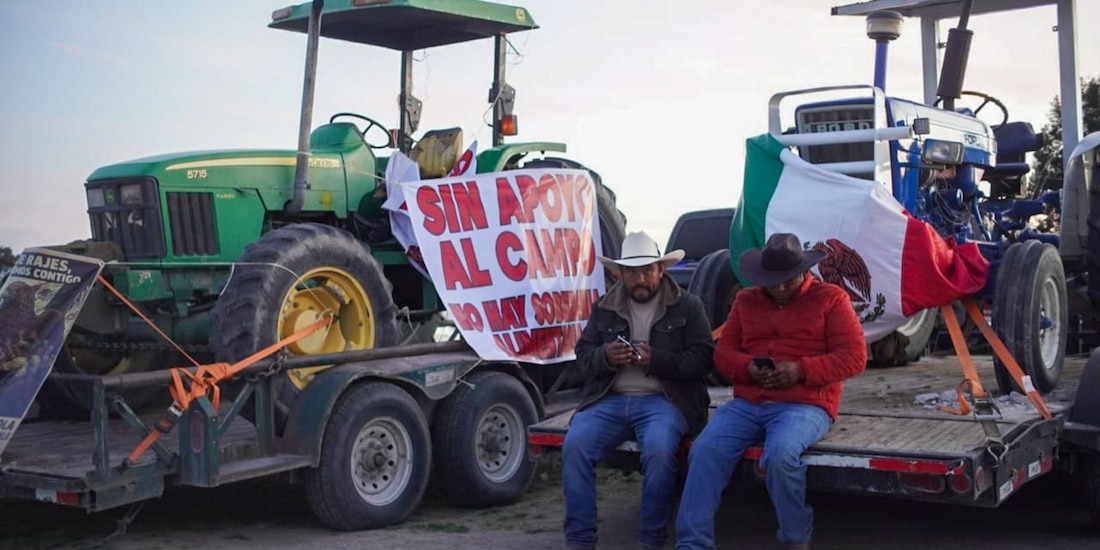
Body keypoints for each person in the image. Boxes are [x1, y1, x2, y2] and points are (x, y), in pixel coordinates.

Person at [675, 232, 867, 550]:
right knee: (704, 450)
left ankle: (795, 538)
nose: (779, 288)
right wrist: (748, 367)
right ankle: (692, 544)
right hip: (749, 401)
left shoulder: (831, 298)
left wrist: (801, 369)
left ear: (803, 272)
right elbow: (722, 354)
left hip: (806, 403)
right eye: (772, 281)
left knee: (779, 456)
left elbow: (854, 358)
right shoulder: (746, 300)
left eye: (786, 281)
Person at [563, 231, 715, 550]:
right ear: (621, 274)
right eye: (632, 272)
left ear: (662, 270)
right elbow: (582, 357)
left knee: (659, 452)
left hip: (665, 401)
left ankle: (650, 539)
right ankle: (580, 541)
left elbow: (703, 360)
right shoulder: (605, 306)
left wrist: (656, 361)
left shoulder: (688, 305)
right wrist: (605, 357)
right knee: (575, 445)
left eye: (647, 270)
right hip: (610, 399)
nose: (640, 278)